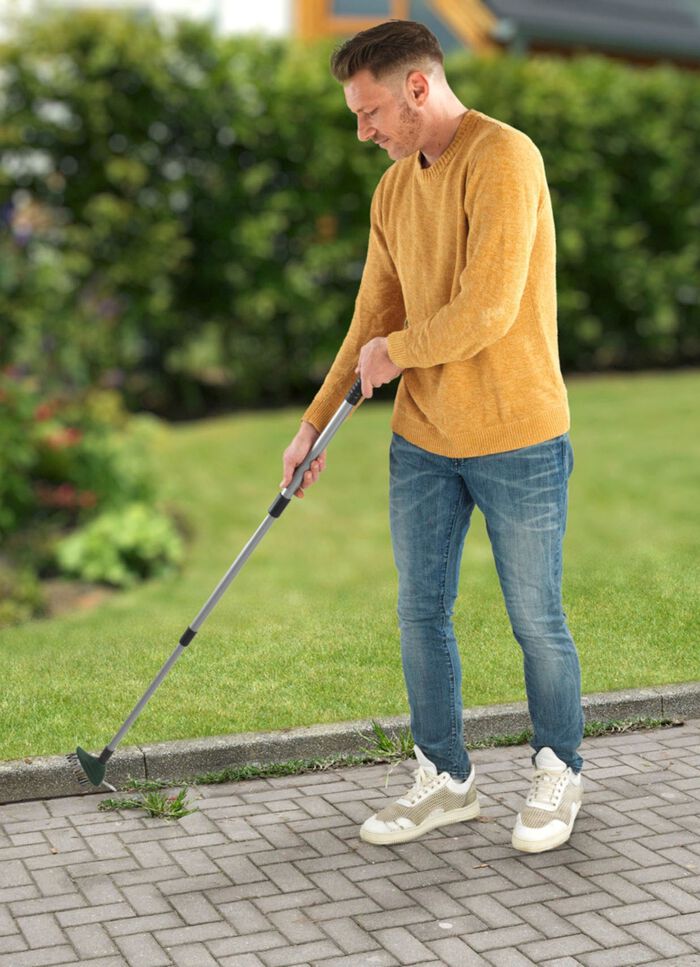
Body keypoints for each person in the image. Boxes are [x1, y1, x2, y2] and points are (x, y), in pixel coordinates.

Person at [281, 19, 584, 854]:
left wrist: (397, 352)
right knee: (421, 613)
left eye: (370, 109)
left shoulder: (504, 158)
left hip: (518, 432)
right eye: (355, 114)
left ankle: (558, 770)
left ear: (418, 87)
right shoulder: (391, 192)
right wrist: (314, 423)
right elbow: (371, 318)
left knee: (536, 618)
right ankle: (446, 778)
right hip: (423, 439)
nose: (363, 129)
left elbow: (487, 310)